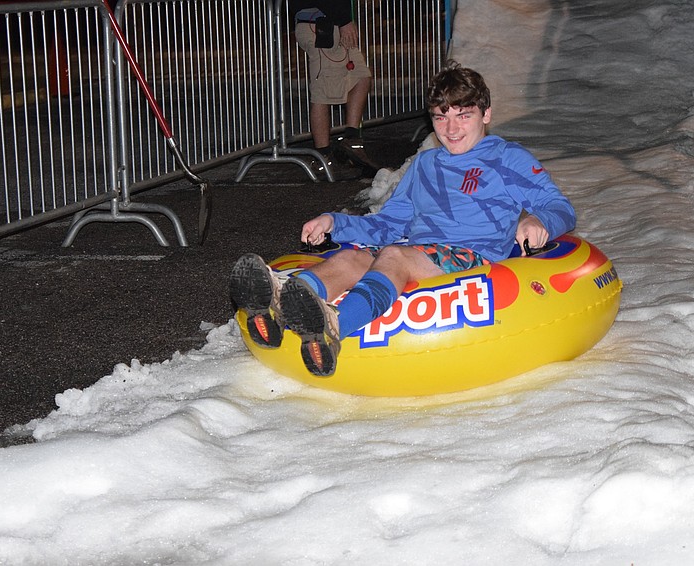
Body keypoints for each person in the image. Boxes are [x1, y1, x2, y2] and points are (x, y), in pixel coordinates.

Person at [229, 60, 576, 377]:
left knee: (393, 255)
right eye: (441, 117)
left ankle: (336, 326)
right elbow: (388, 225)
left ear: (485, 114)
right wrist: (334, 222)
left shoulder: (507, 157)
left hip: (475, 260)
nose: (451, 129)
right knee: (352, 257)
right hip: (418, 252)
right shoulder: (425, 165)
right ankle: (281, 306)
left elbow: (559, 206)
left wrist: (540, 220)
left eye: (463, 115)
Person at [289, 0, 380, 180]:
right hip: (320, 25)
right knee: (324, 90)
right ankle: (323, 157)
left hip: (330, 23)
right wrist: (344, 20)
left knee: (361, 76)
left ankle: (351, 141)